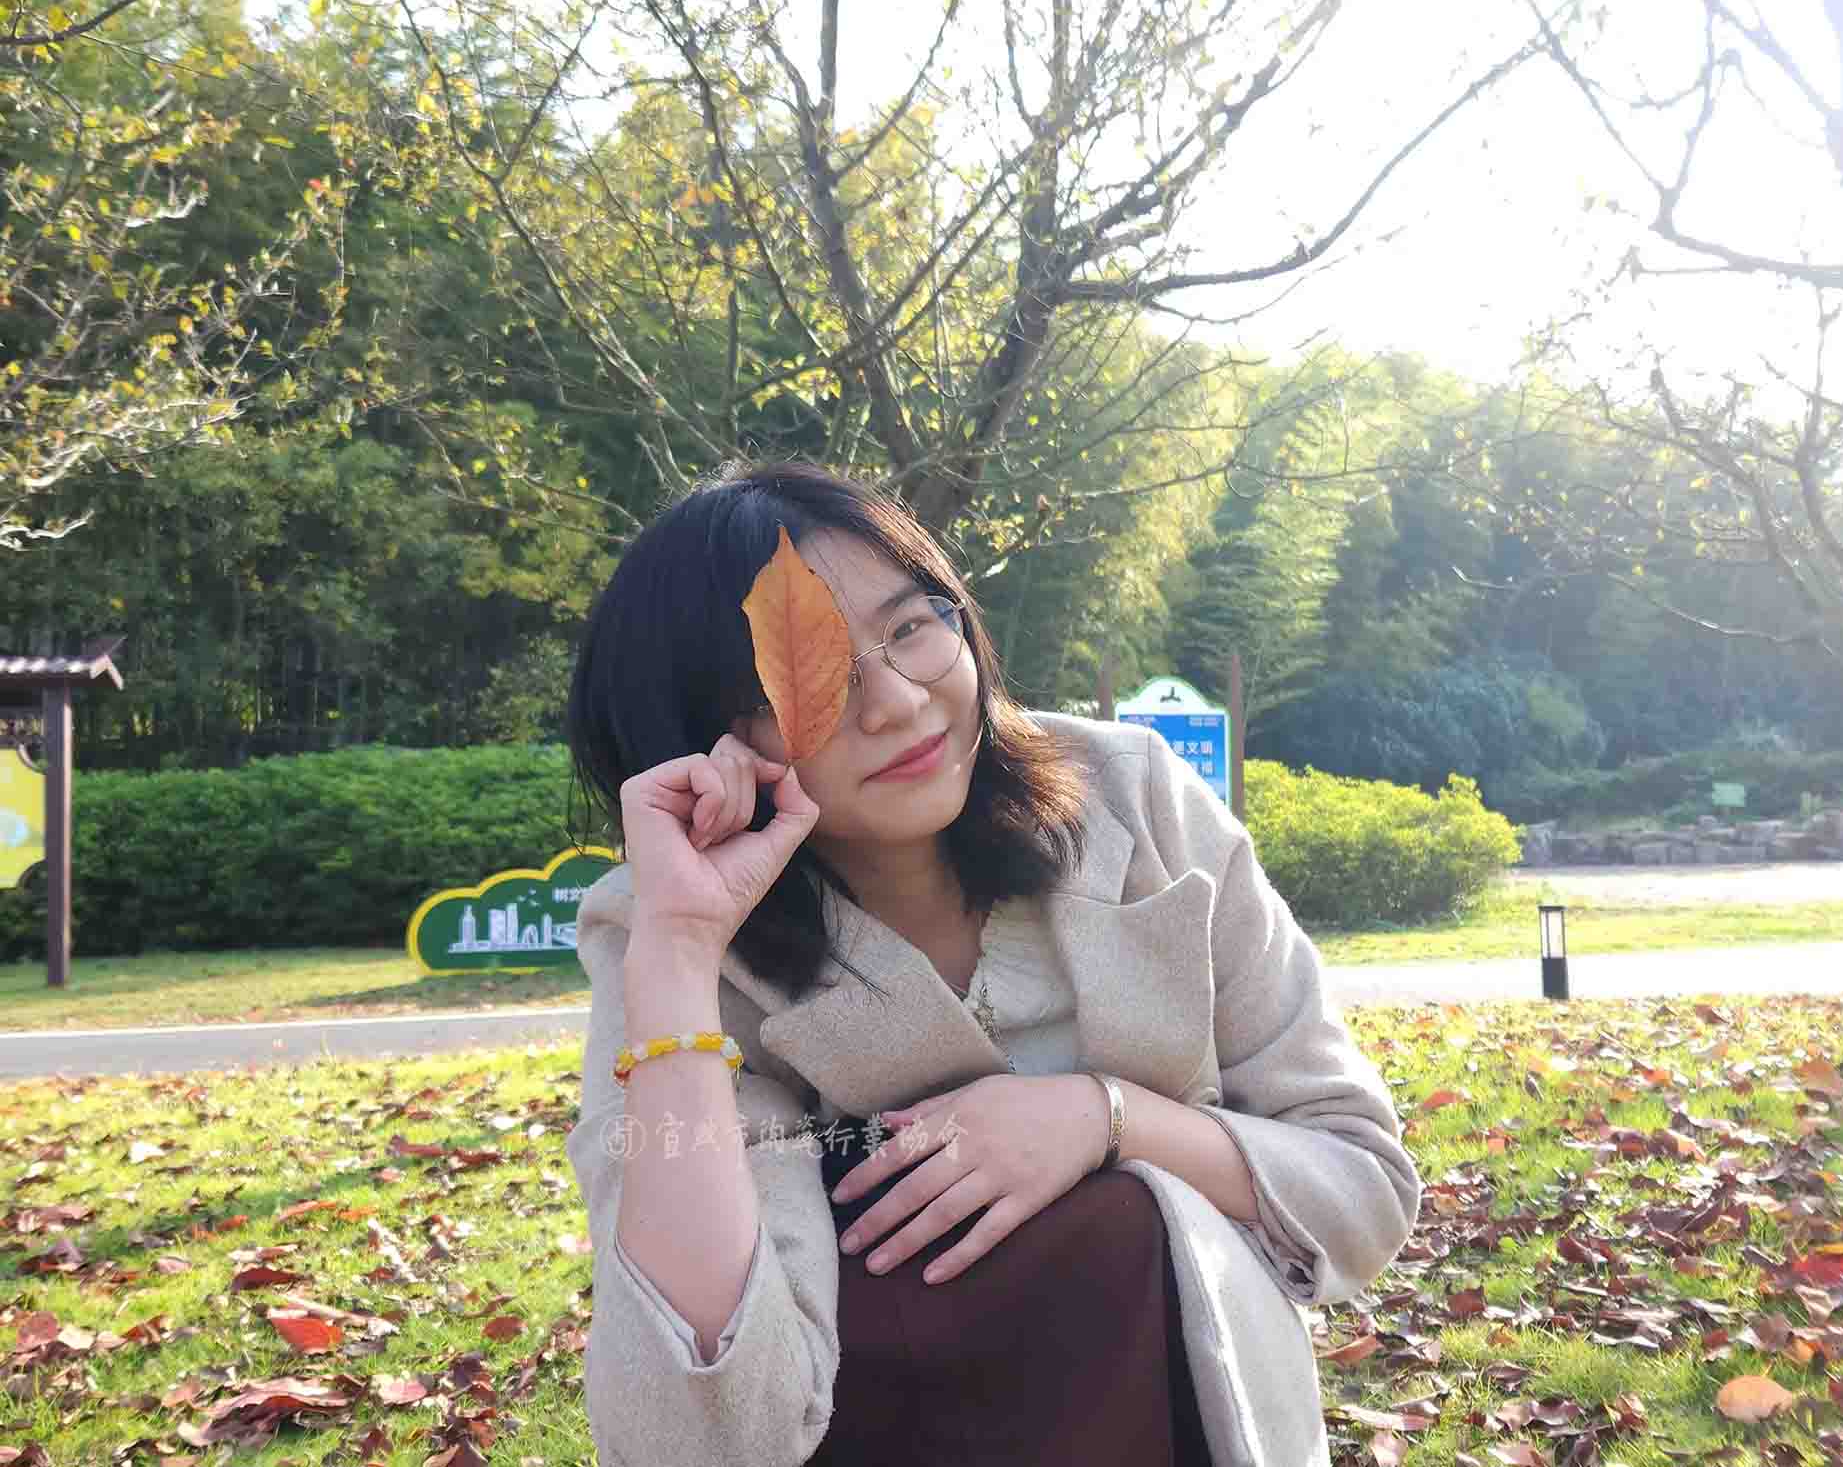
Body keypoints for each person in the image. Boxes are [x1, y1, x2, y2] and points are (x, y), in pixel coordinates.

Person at [563, 461, 1420, 1467]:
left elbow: (1359, 1186)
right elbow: (691, 1434)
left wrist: (1105, 1119)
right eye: (809, 675)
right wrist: (677, 955)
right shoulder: (667, 930)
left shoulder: (1137, 801)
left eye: (909, 627)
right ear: (701, 735)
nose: (897, 702)